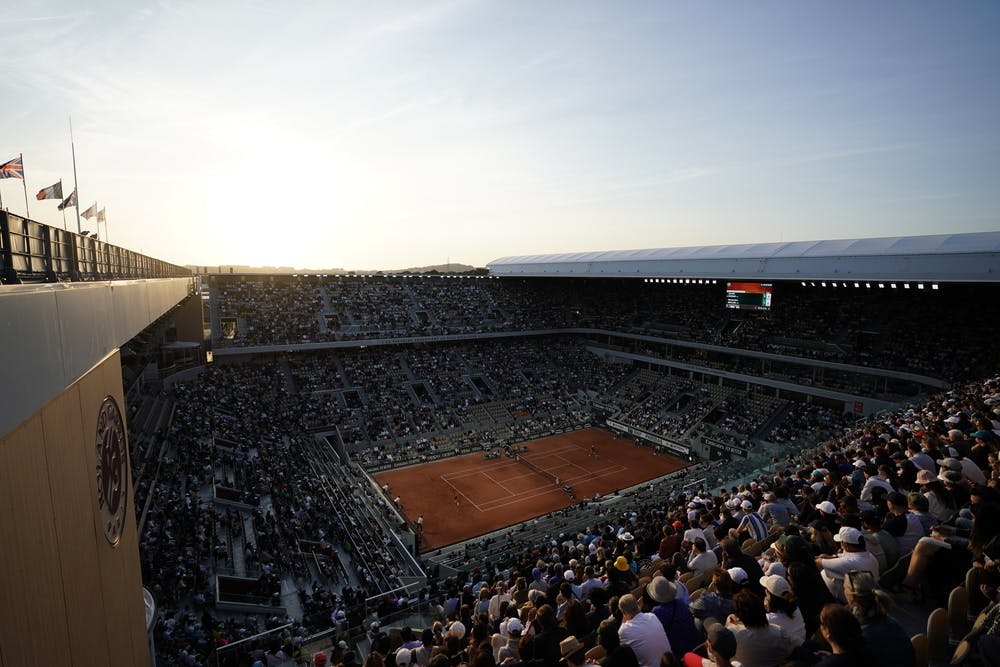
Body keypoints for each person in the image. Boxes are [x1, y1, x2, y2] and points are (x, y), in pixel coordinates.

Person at [842, 571, 915, 667]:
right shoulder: (891, 622)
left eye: (844, 588)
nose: (843, 591)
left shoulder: (859, 637)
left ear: (852, 597)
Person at [724, 589, 793, 667]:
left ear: (740, 616)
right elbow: (788, 651)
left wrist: (728, 624)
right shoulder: (779, 632)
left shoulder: (734, 634)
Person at [617, 594, 671, 667]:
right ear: (637, 604)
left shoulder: (624, 630)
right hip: (670, 664)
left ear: (623, 613)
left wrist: (624, 621)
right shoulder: (652, 616)